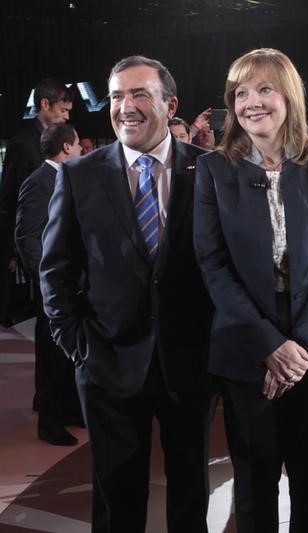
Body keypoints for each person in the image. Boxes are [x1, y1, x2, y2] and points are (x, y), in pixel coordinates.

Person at [40, 55, 214, 533]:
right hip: (107, 365)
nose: (125, 106)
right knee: (117, 503)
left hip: (190, 366)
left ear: (169, 103)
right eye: (117, 95)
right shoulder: (79, 176)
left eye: (139, 94)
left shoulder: (213, 171)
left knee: (189, 498)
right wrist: (79, 347)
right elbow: (55, 271)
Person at [193, 47, 308, 532]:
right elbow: (213, 263)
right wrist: (271, 347)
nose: (251, 101)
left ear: (289, 96)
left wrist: (300, 349)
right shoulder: (213, 170)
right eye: (240, 92)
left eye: (264, 88)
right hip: (248, 349)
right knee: (254, 486)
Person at [15, 123, 84, 446]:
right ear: (67, 147)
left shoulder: (63, 178)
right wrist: (46, 281)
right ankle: (50, 424)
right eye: (78, 145)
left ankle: (68, 411)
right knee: (50, 357)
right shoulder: (38, 182)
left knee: (65, 354)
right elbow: (27, 236)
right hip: (51, 287)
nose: (83, 149)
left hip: (69, 285)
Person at [0, 78, 73, 327]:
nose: (65, 117)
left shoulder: (60, 139)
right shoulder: (21, 144)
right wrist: (12, 250)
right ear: (45, 104)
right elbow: (9, 197)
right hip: (34, 245)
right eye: (63, 110)